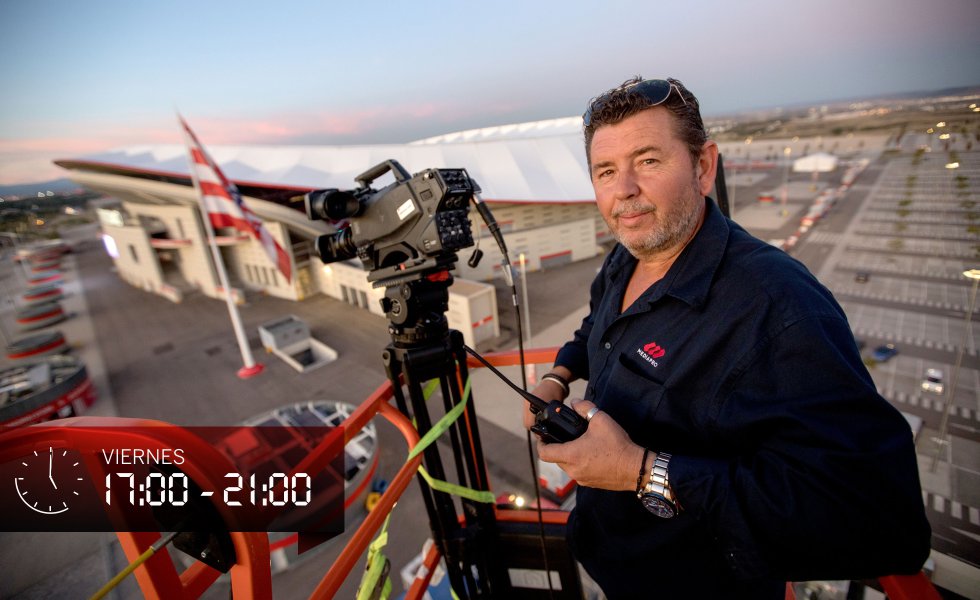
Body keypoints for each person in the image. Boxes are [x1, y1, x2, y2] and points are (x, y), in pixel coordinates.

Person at [526, 76, 931, 598]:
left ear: (703, 166)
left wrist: (641, 471)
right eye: (606, 171)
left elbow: (879, 520)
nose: (623, 189)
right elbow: (595, 329)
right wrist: (558, 377)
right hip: (610, 559)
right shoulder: (626, 258)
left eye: (647, 161)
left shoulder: (778, 306)